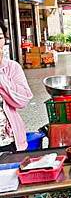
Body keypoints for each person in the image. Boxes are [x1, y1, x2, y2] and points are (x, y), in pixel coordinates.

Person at [0, 23, 32, 153]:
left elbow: (22, 100)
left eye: (0, 38)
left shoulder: (12, 68)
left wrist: (1, 74)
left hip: (9, 141)